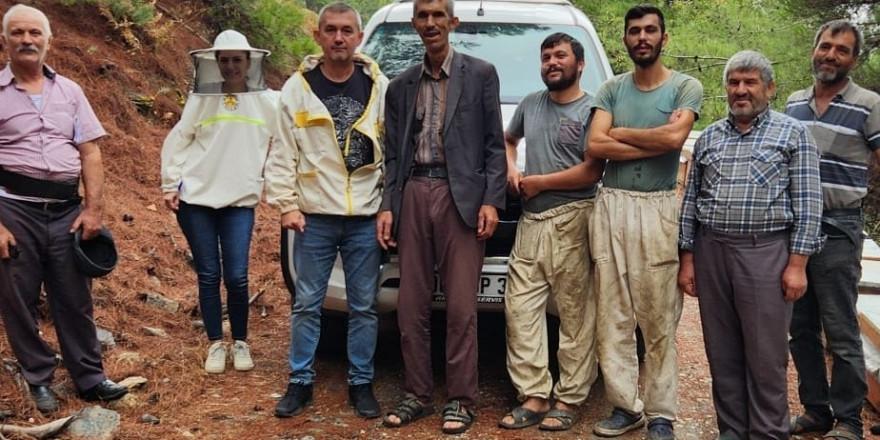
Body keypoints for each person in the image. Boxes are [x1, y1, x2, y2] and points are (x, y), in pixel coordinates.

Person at [679, 50, 824, 440]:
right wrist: (688, 257)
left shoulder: (792, 134)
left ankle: (767, 432)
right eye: (733, 82)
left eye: (750, 82)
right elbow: (692, 200)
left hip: (766, 254)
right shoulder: (709, 136)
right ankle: (732, 430)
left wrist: (797, 264)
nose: (740, 90)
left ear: (769, 88)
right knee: (721, 351)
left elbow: (809, 204)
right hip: (712, 251)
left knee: (765, 356)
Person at [377, 0, 506, 434]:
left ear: (453, 22)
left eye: (437, 15)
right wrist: (388, 206)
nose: (430, 23)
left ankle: (461, 399)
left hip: (461, 197)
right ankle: (416, 394)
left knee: (461, 307)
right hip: (414, 190)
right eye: (422, 15)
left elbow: (493, 144)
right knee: (410, 304)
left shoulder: (481, 74)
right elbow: (393, 155)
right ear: (415, 23)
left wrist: (491, 199)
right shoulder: (400, 85)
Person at [0, 4, 128, 413]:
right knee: (17, 298)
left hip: (67, 211)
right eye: (18, 33)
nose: (27, 40)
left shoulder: (70, 91)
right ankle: (38, 377)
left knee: (74, 298)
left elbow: (90, 153)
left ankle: (90, 378)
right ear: (4, 41)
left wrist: (94, 210)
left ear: (48, 40)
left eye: (35, 33)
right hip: (13, 210)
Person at [265, 2, 388, 419]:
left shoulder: (378, 86)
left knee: (364, 306)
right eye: (331, 30)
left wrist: (388, 205)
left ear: (359, 37)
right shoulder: (296, 89)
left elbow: (390, 150)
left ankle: (361, 383)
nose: (339, 37)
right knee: (306, 304)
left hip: (365, 216)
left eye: (347, 30)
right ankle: (299, 382)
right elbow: (282, 152)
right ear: (318, 36)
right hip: (314, 215)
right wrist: (286, 205)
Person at [585, 4, 702, 440]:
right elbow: (596, 146)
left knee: (658, 317)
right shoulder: (612, 89)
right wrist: (649, 141)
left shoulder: (684, 87)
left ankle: (660, 414)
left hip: (657, 205)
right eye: (634, 31)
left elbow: (676, 139)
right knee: (612, 314)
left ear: (663, 38)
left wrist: (620, 134)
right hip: (611, 204)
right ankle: (623, 406)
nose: (642, 38)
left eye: (651, 30)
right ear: (626, 40)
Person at [497, 32, 603, 432]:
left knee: (577, 316)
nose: (552, 63)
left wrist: (540, 182)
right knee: (520, 310)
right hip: (531, 221)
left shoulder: (594, 109)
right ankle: (535, 395)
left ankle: (569, 399)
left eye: (560, 56)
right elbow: (510, 140)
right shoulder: (529, 104)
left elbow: (593, 170)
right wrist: (511, 167)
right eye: (546, 57)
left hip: (574, 219)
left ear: (579, 64)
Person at [160, 30, 277, 374]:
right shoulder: (201, 99)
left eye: (236, 60)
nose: (230, 66)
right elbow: (179, 140)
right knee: (209, 275)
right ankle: (215, 344)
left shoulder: (268, 101)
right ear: (214, 63)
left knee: (238, 276)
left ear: (249, 62)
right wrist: (170, 183)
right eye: (223, 60)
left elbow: (302, 106)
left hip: (239, 202)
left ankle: (240, 341)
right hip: (196, 199)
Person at [785, 20, 880, 440]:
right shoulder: (793, 104)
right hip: (793, 228)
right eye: (825, 46)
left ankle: (849, 420)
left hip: (839, 226)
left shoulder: (869, 103)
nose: (831, 55)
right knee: (800, 327)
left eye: (842, 50)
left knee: (840, 327)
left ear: (854, 59)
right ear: (814, 50)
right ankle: (815, 410)